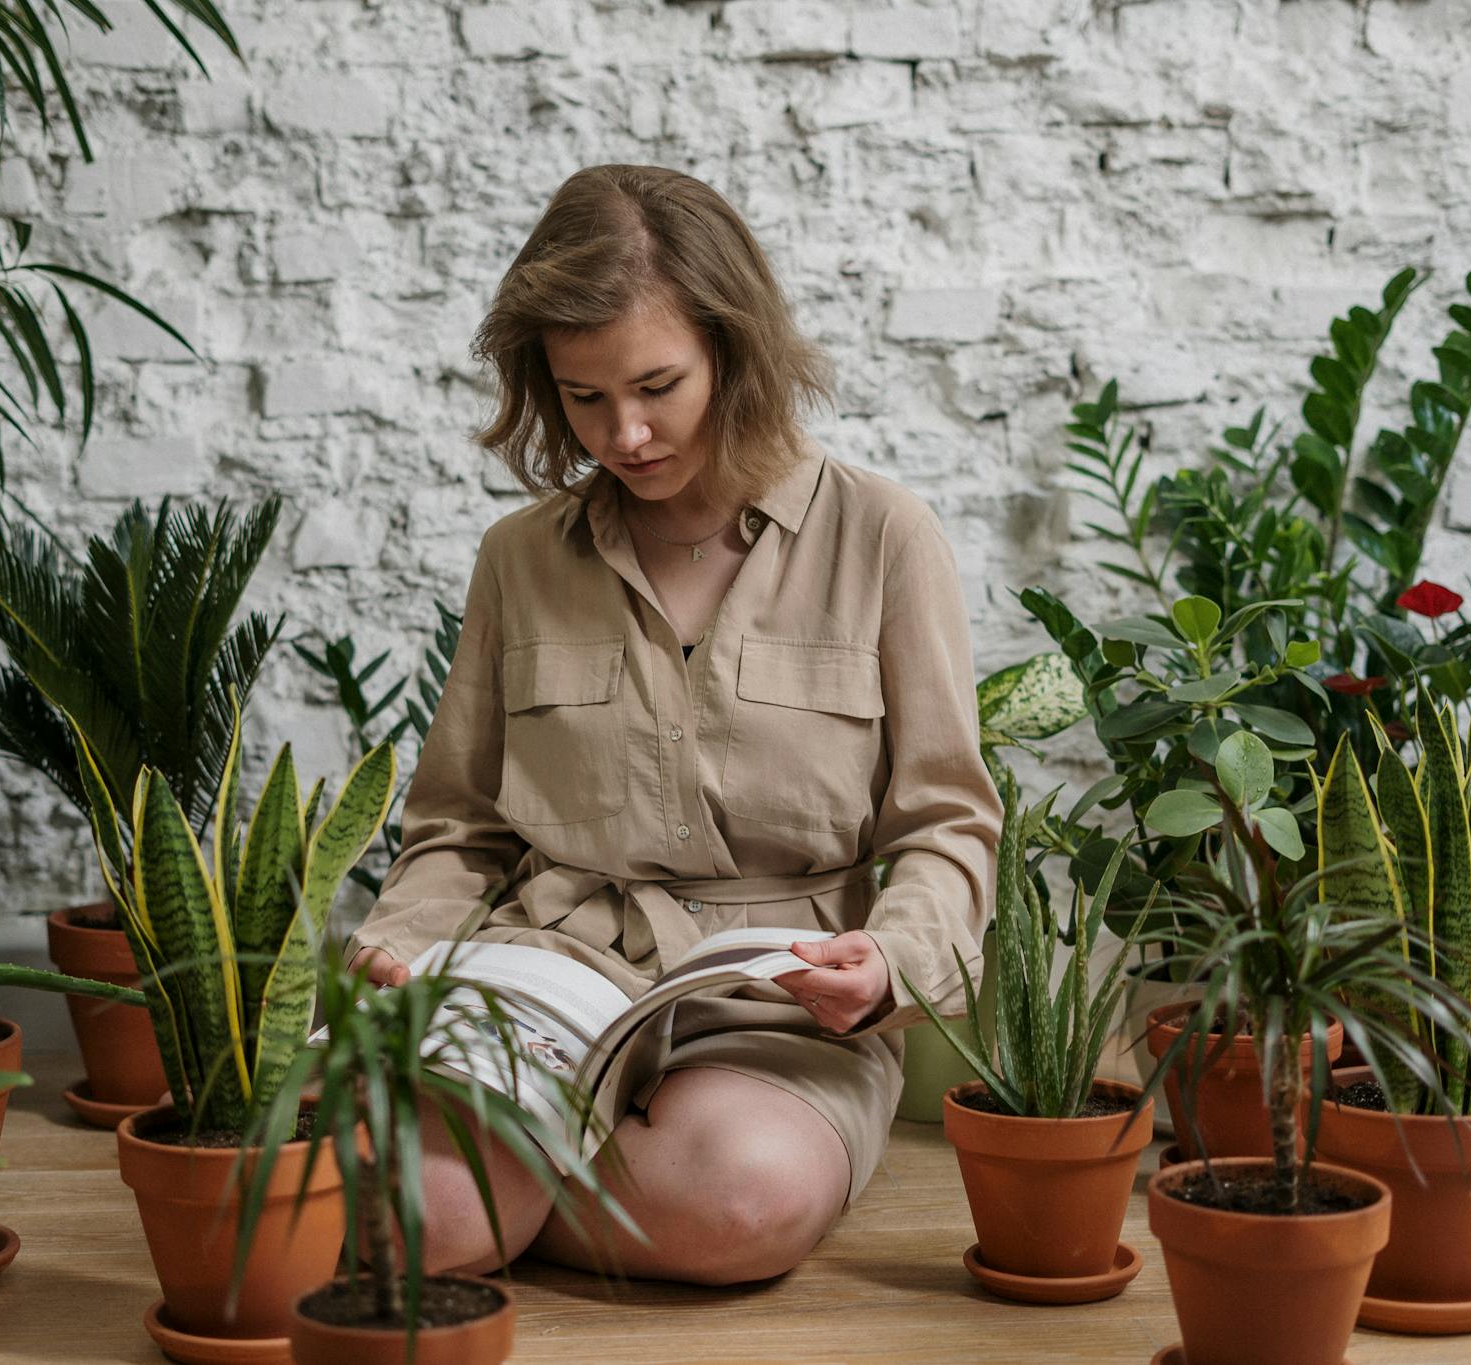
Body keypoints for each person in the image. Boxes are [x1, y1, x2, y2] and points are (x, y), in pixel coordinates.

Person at [346, 163, 1000, 1286]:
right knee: (421, 1216)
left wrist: (887, 963)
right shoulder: (519, 557)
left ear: (734, 355)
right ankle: (498, 1190)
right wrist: (397, 943)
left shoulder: (884, 537)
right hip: (545, 968)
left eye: (657, 384)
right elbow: (461, 825)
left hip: (776, 1002)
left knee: (734, 1200)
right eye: (584, 397)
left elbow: (945, 822)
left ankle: (520, 1188)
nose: (625, 433)